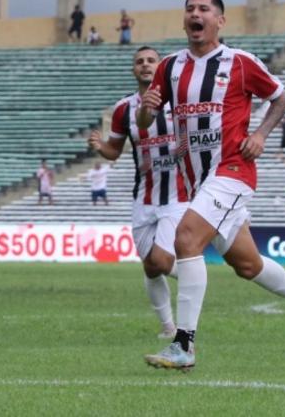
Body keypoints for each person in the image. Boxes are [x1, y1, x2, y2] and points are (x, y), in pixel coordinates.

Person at [139, 0, 285, 371]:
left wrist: (259, 135)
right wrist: (145, 110)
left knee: (186, 238)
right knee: (247, 265)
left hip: (232, 170)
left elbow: (280, 97)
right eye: (190, 8)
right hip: (196, 178)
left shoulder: (239, 63)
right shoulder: (170, 67)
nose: (195, 14)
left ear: (219, 21)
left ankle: (184, 345)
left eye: (204, 9)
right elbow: (146, 121)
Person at [88, 45, 187, 352]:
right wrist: (100, 146)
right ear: (134, 70)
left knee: (159, 260)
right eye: (140, 62)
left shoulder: (180, 100)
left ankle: (193, 278)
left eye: (151, 61)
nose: (145, 65)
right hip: (144, 196)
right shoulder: (123, 109)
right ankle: (167, 326)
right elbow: (114, 152)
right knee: (150, 267)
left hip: (177, 193)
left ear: (161, 67)